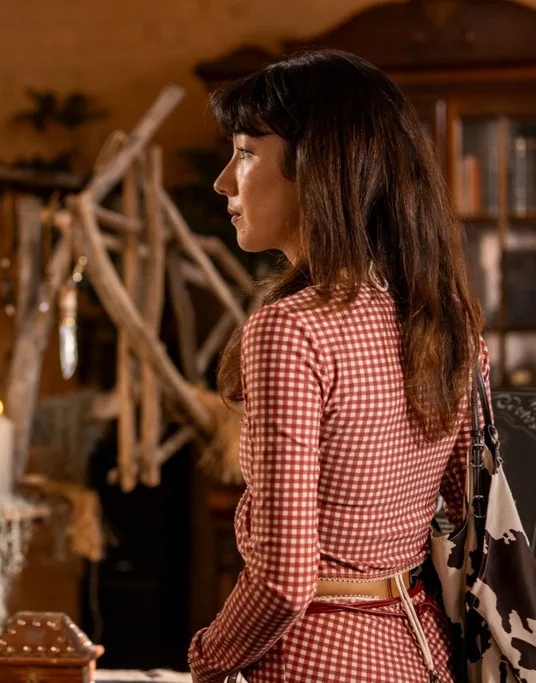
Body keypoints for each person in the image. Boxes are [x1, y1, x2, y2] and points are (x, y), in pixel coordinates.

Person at [187, 50, 487, 682]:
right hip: (419, 653)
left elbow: (283, 579)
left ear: (317, 167)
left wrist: (208, 659)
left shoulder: (292, 328)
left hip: (313, 661)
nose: (223, 181)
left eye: (244, 152)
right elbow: (466, 512)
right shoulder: (445, 318)